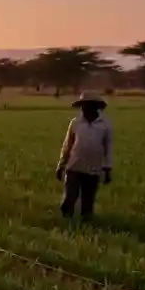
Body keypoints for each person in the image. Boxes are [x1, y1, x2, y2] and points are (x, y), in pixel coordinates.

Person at [56, 92, 112, 221]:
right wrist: (61, 165)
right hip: (74, 166)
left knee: (88, 201)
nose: (84, 109)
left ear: (96, 107)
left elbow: (108, 148)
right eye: (83, 106)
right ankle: (66, 221)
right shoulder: (75, 123)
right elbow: (67, 145)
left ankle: (86, 224)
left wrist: (107, 169)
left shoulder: (105, 125)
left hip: (94, 168)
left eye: (88, 106)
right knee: (69, 198)